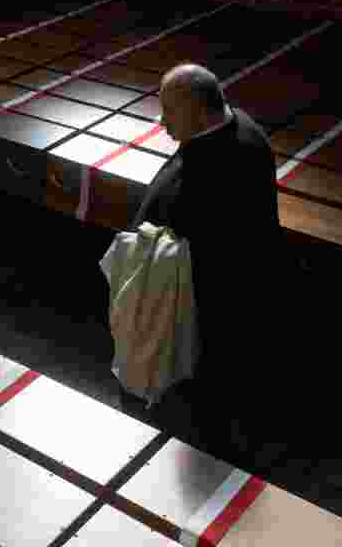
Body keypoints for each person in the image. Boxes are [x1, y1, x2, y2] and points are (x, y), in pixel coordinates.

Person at [121, 63, 292, 467]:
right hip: (230, 273)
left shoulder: (221, 164)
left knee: (214, 378)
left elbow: (194, 234)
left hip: (219, 289)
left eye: (169, 112)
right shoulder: (238, 126)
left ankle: (212, 452)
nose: (161, 122)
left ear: (200, 111)